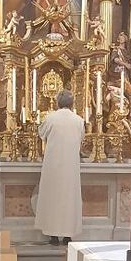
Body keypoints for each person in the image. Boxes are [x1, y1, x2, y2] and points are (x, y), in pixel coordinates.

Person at [34, 90, 85, 245]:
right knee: (69, 198)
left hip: (53, 165)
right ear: (72, 103)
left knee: (53, 198)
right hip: (71, 165)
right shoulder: (79, 120)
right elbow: (81, 138)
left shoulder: (50, 118)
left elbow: (41, 133)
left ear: (57, 103)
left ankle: (53, 236)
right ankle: (68, 235)